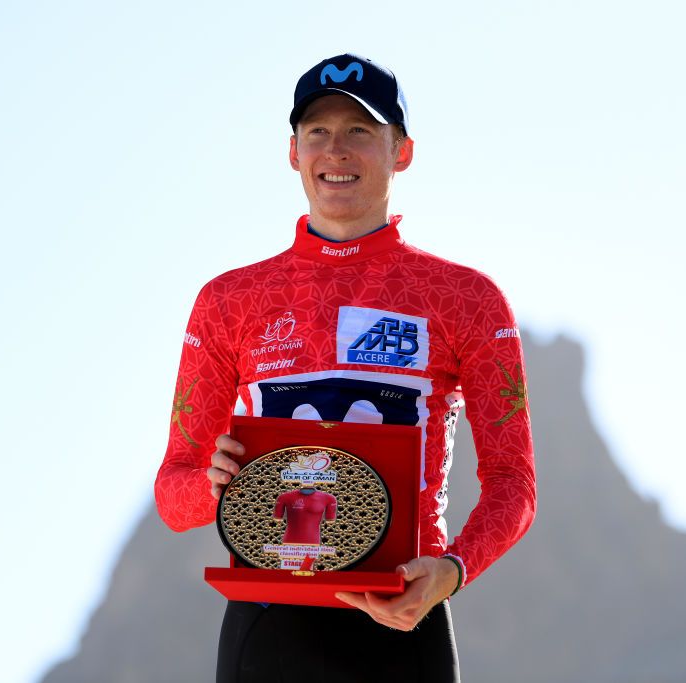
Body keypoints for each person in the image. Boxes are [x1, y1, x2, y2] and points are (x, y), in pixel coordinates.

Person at [155, 53, 536, 683]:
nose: (337, 149)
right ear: (293, 152)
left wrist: (453, 570)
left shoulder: (467, 297)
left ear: (401, 152)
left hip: (401, 617)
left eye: (360, 131)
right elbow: (174, 495)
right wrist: (212, 487)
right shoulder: (227, 301)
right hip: (266, 620)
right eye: (318, 133)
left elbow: (512, 482)